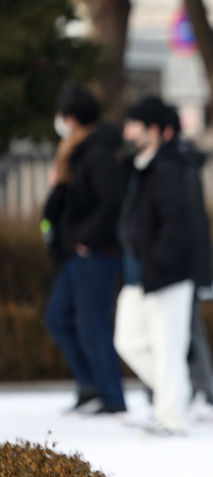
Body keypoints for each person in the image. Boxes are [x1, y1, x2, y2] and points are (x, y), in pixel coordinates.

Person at [42, 85, 126, 414]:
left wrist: (86, 239)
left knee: (94, 324)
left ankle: (111, 396)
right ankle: (90, 386)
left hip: (95, 253)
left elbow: (109, 205)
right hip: (75, 254)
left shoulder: (97, 154)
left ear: (72, 119)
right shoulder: (76, 153)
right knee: (58, 318)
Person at [114, 96, 194, 435]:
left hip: (166, 277)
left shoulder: (167, 169)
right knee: (127, 341)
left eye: (135, 123)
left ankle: (172, 418)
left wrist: (159, 263)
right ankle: (176, 392)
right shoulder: (137, 167)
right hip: (137, 276)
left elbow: (177, 224)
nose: (128, 129)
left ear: (154, 130)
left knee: (168, 347)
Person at [162, 106, 213, 416]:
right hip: (169, 265)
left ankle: (205, 393)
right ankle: (187, 392)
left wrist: (199, 270)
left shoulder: (179, 166)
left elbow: (194, 223)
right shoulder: (170, 164)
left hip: (181, 266)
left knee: (189, 329)